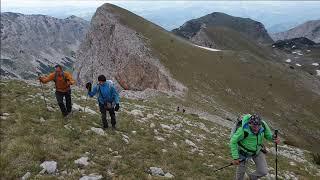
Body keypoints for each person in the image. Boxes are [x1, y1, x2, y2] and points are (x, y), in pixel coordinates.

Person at [230, 114, 280, 180]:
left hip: (257, 151)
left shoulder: (263, 125)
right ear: (249, 124)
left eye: (258, 125)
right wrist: (235, 157)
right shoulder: (242, 130)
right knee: (240, 177)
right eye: (254, 126)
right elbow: (233, 141)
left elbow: (268, 135)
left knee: (263, 171)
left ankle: (249, 178)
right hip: (243, 153)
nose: (256, 128)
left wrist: (273, 138)